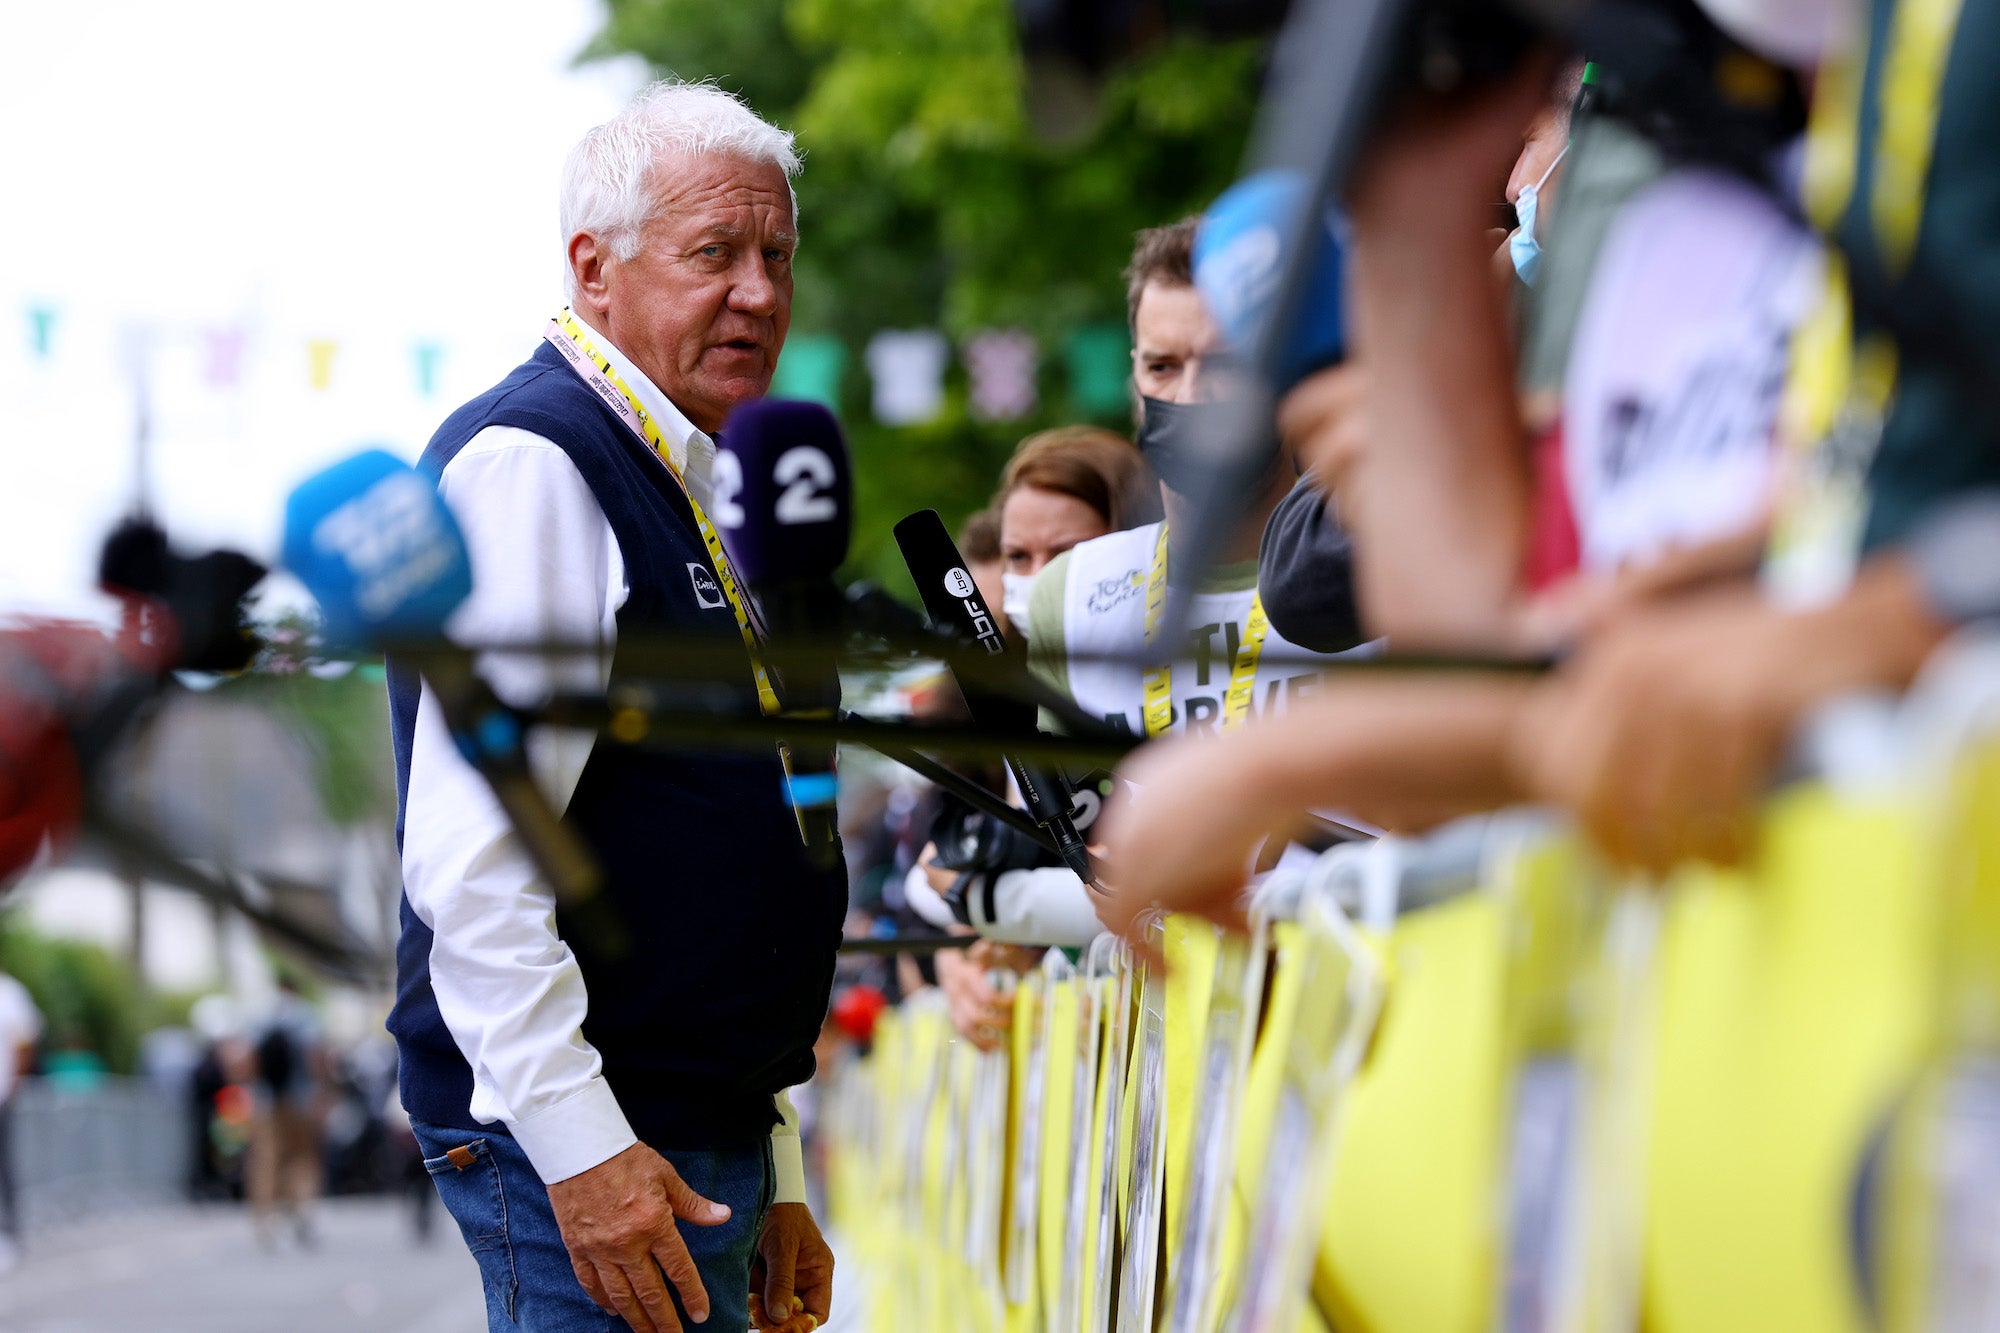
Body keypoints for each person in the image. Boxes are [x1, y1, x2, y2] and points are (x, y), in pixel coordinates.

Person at [387, 81, 843, 1333]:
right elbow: (477, 861)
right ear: (594, 269)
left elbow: (739, 852)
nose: (757, 291)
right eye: (714, 254)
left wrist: (777, 1164)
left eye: (775, 256)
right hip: (597, 1142)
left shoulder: (700, 469)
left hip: (693, 1141)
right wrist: (583, 1151)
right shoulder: (538, 462)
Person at [247, 975, 329, 1247]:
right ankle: (303, 1210)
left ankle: (265, 1218)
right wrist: (323, 1093)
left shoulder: (261, 1014)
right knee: (302, 1157)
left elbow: (249, 1060)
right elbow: (315, 1055)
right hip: (301, 1099)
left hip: (267, 1101)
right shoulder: (304, 1015)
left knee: (267, 1159)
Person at [0, 967, 40, 1271]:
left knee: (5, 1167)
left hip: (2, 1098)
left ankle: (9, 1233)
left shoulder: (9, 992)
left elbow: (24, 1042)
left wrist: (14, 1085)